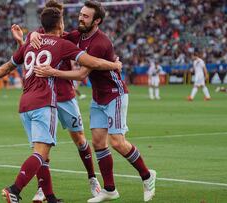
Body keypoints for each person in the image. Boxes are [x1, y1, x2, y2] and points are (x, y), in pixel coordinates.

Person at [0, 7, 122, 203]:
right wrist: (114, 64)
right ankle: (14, 189)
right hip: (44, 101)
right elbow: (92, 63)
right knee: (41, 153)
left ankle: (51, 196)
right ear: (60, 23)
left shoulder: (31, 43)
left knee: (47, 150)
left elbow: (8, 66)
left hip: (26, 103)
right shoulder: (61, 43)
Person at [33, 1, 156, 202]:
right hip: (98, 96)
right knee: (98, 142)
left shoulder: (101, 42)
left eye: (86, 16)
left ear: (97, 21)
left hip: (114, 94)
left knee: (117, 142)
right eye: (81, 14)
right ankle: (109, 189)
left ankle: (147, 175)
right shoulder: (77, 35)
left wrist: (53, 72)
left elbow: (82, 74)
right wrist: (34, 35)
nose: (81, 18)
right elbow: (52, 34)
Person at [11, 1, 100, 201]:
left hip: (65, 95)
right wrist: (24, 40)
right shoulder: (36, 35)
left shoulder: (67, 37)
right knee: (43, 149)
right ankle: (43, 189)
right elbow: (27, 58)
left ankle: (92, 178)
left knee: (79, 139)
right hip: (43, 97)